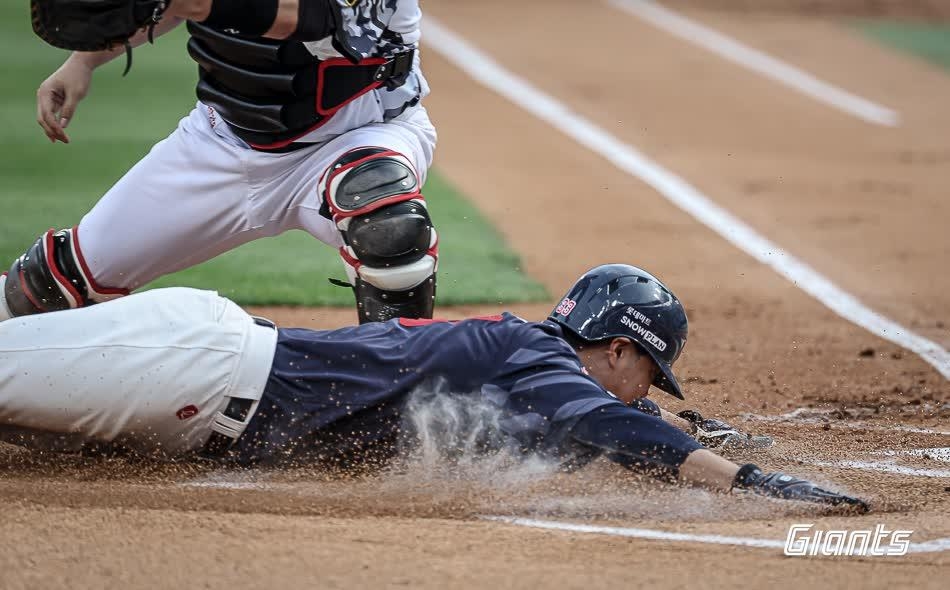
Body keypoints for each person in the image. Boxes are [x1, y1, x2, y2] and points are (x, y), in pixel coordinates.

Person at [0, 264, 868, 511]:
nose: (648, 391)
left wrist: (703, 431)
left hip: (189, 393)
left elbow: (605, 429)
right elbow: (612, 427)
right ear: (615, 348)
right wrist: (745, 482)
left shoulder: (519, 363)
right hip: (193, 370)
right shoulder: (532, 356)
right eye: (650, 373)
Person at [2, 0, 438, 325]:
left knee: (386, 220)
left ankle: (402, 395)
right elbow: (163, 8)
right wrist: (83, 61)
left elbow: (298, 15)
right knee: (47, 285)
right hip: (221, 142)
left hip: (359, 135)